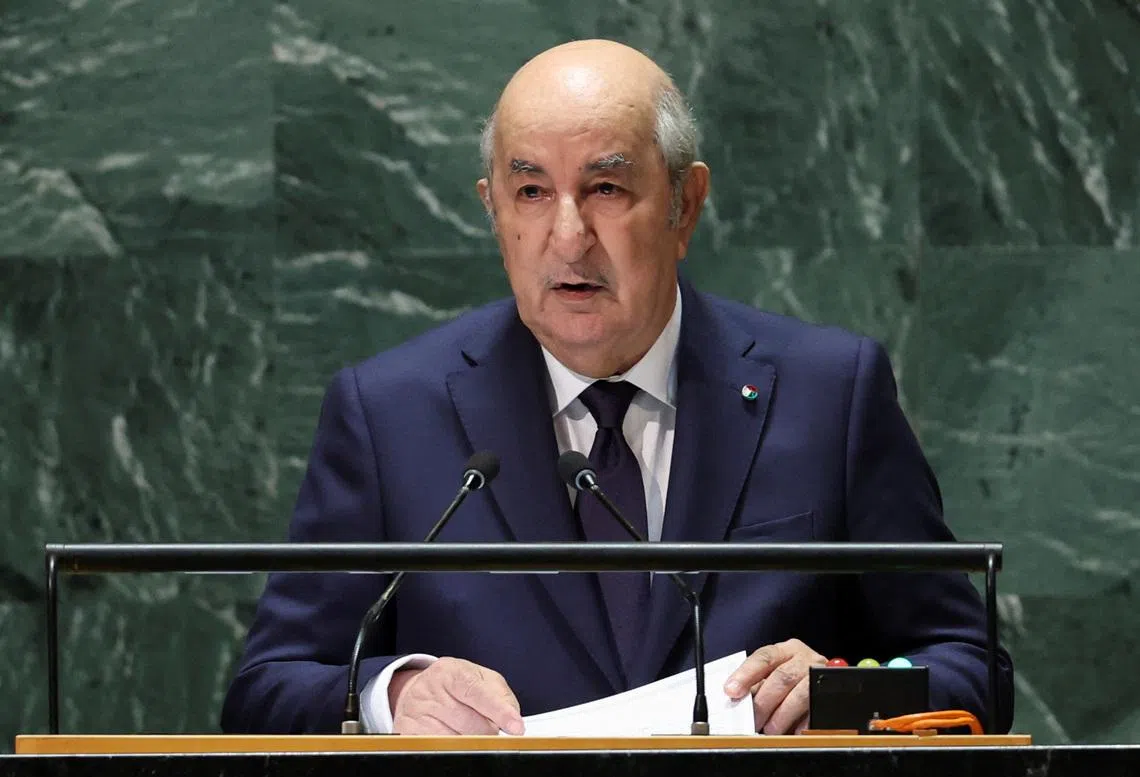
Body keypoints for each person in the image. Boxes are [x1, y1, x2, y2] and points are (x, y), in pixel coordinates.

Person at [221, 40, 1013, 736]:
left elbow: (970, 667)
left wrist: (843, 695)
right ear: (493, 210)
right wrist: (393, 695)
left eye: (605, 189)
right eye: (531, 192)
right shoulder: (390, 413)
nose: (568, 238)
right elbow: (267, 689)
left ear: (684, 204)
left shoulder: (829, 394)